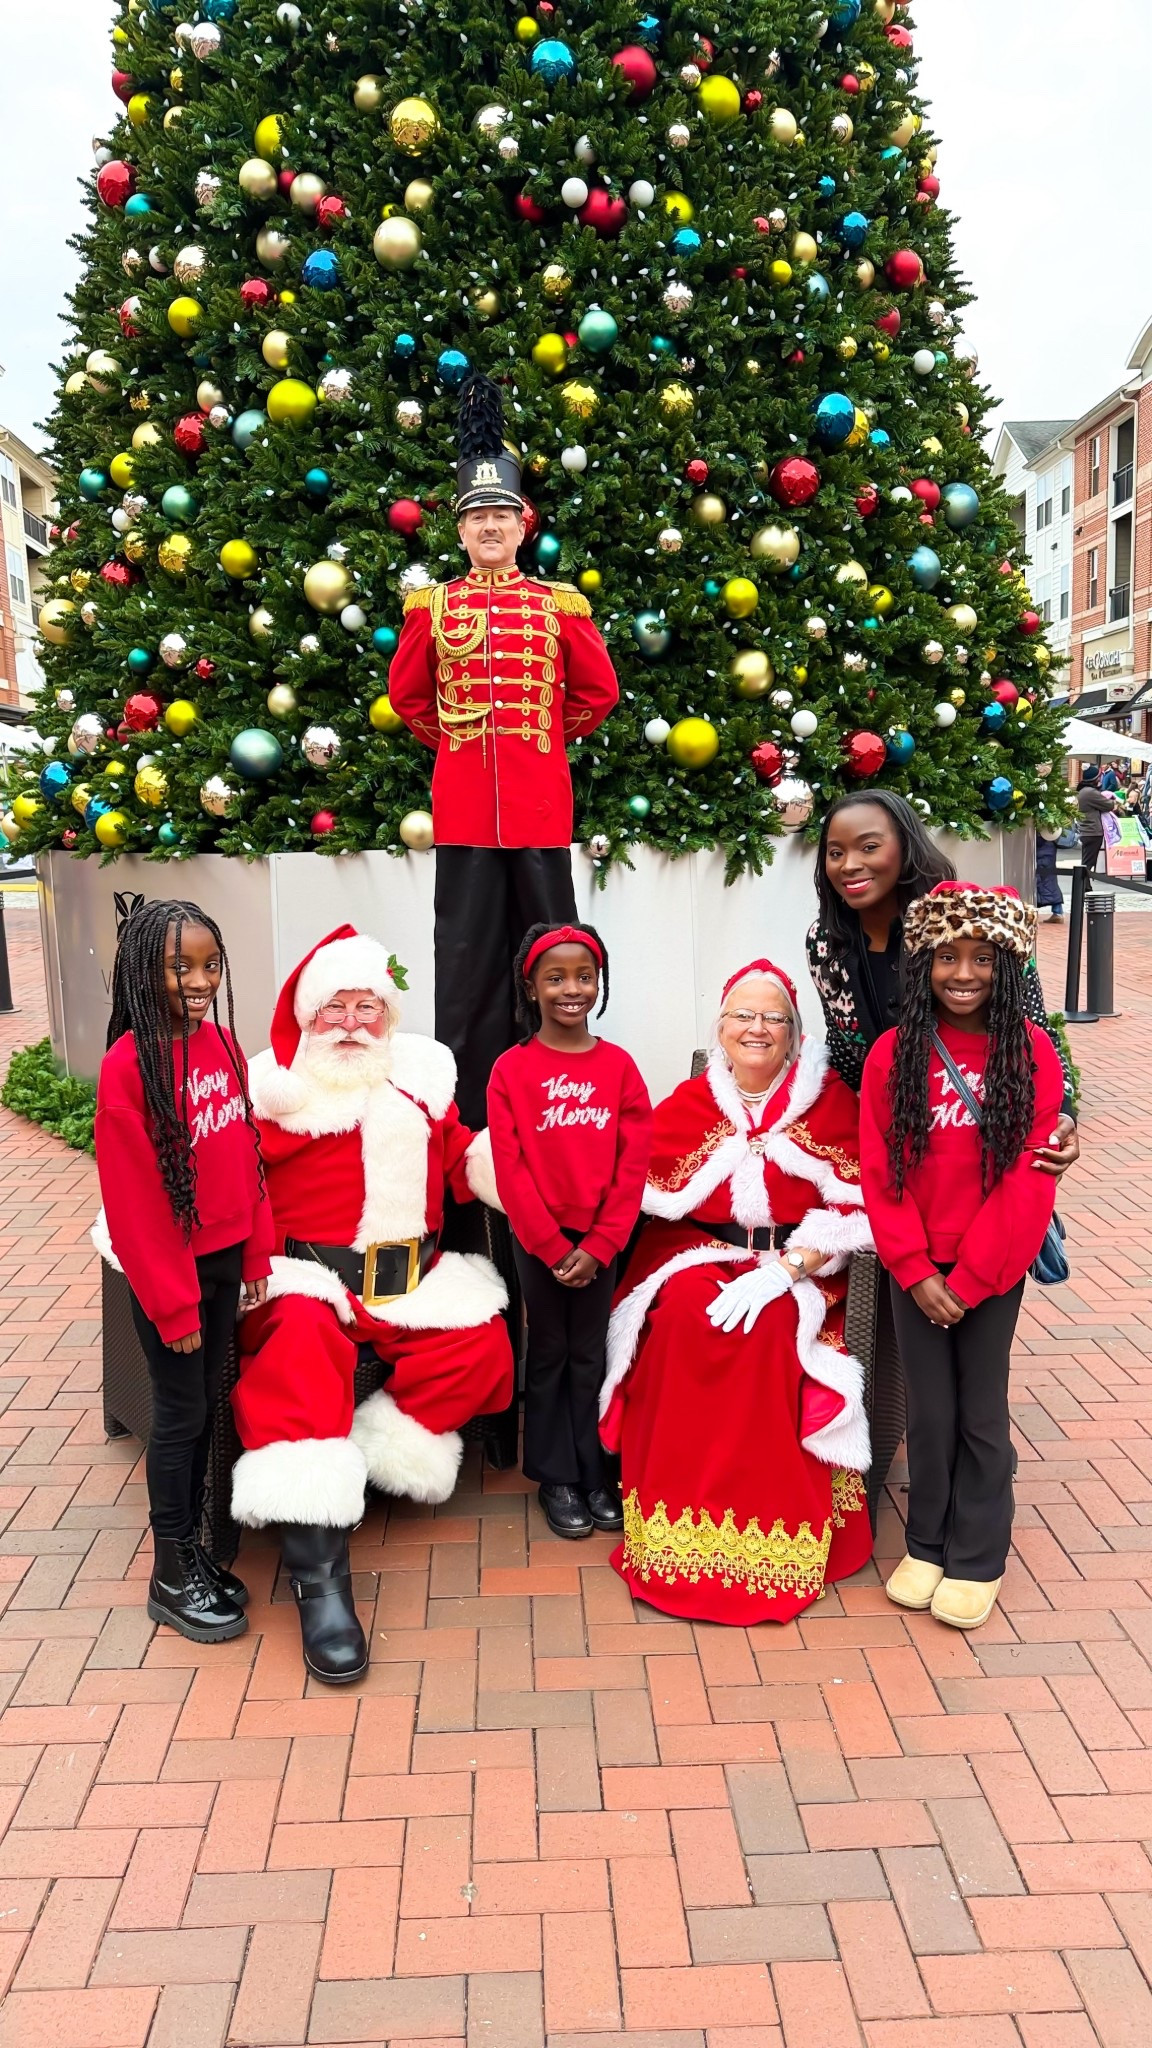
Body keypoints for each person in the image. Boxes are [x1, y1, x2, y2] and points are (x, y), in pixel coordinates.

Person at [231, 926, 514, 1683]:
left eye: (368, 1007)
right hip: (305, 1278)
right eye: (335, 1009)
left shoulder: (419, 1081)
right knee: (297, 1346)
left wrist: (521, 1170)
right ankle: (319, 1577)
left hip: (405, 1279)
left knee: (482, 1347)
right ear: (305, 1016)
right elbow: (231, 1183)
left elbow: (460, 1156)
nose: (353, 1023)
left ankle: (359, 1453)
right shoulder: (272, 1093)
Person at [598, 961, 874, 1626]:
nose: (756, 1028)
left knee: (768, 1329)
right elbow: (633, 1178)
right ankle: (675, 1534)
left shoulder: (832, 1101)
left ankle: (773, 1535)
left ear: (795, 1034)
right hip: (699, 1254)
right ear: (720, 1029)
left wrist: (794, 1266)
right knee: (685, 1321)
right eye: (741, 1016)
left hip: (796, 1266)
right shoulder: (691, 1102)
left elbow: (865, 1208)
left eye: (772, 1018)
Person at [388, 372, 619, 1128]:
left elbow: (597, 694)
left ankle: (557, 1093)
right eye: (476, 516)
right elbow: (411, 698)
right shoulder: (436, 606)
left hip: (542, 811)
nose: (489, 526)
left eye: (502, 515)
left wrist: (544, 738)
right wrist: (458, 743)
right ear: (458, 532)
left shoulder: (558, 605)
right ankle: (468, 1113)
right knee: (464, 969)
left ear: (524, 526)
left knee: (556, 959)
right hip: (462, 817)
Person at [860, 883, 1063, 1631]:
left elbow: (1028, 1178)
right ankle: (927, 1544)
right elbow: (879, 1168)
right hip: (916, 1269)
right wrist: (913, 1269)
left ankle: (978, 1555)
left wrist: (973, 1278)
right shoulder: (893, 1054)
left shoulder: (1031, 1052)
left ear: (1006, 966)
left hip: (992, 1269)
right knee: (931, 1413)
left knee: (981, 1411)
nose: (965, 973)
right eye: (948, 956)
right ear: (925, 963)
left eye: (983, 957)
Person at [93, 899, 273, 1645]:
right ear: (142, 970)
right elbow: (134, 1207)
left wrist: (258, 1252)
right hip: (174, 1276)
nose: (199, 981)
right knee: (178, 1418)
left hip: (226, 1260)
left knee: (207, 1405)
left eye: (209, 965)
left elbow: (247, 1154)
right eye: (179, 967)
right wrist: (173, 1307)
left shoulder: (222, 1042)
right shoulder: (127, 1068)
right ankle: (170, 1572)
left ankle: (195, 1551)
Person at [806, 790, 1078, 1177]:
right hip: (892, 1147)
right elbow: (845, 1049)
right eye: (835, 853)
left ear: (905, 847)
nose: (849, 865)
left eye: (868, 847)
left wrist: (1064, 1111)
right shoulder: (825, 942)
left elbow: (1032, 1026)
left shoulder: (975, 921)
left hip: (977, 1134)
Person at [487, 923, 651, 1539]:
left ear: (599, 982)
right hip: (542, 1243)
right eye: (555, 978)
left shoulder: (620, 1068)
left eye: (584, 976)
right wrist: (554, 1246)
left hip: (601, 1240)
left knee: (591, 1354)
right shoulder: (511, 1070)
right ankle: (555, 1475)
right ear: (531, 987)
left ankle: (594, 1470)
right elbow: (511, 1167)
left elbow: (633, 1162)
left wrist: (602, 1242)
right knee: (549, 1351)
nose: (571, 989)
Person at [1076, 763, 1118, 886]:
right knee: (1088, 863)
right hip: (1092, 831)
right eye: (1099, 777)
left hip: (1086, 830)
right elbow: (1109, 805)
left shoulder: (1083, 791)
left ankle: (1085, 888)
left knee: (1086, 862)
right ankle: (1082, 888)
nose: (1100, 779)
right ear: (1094, 779)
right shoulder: (1090, 792)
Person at [1035, 828, 1064, 924]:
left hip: (1041, 846)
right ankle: (1058, 912)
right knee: (1050, 880)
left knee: (1041, 880)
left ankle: (1057, 912)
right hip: (1049, 845)